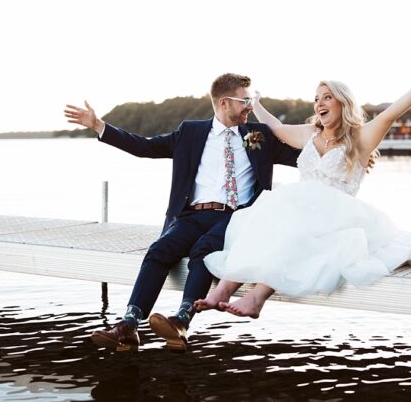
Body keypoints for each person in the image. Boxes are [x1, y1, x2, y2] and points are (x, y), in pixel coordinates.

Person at [195, 61, 411, 319]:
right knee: (264, 216)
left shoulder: (360, 138)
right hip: (298, 208)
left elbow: (391, 113)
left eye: (327, 97)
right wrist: (258, 105)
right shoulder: (310, 134)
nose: (319, 103)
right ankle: (223, 290)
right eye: (316, 99)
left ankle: (256, 298)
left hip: (337, 218)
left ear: (342, 103)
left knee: (293, 228)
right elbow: (275, 127)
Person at [64, 73, 301, 351]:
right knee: (159, 250)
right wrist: (99, 125)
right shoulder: (191, 132)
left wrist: (347, 152)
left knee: (204, 250)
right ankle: (129, 324)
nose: (250, 106)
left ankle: (182, 320)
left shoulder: (257, 135)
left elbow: (301, 158)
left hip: (237, 218)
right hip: (190, 215)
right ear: (224, 103)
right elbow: (145, 147)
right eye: (245, 100)